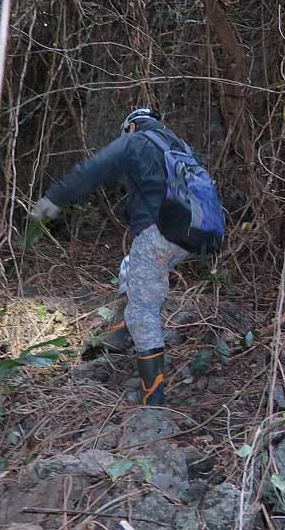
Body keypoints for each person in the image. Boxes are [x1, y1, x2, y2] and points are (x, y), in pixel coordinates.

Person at [30, 108, 224, 406]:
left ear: (131, 126)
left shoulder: (137, 140)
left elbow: (96, 167)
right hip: (191, 235)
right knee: (130, 266)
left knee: (143, 309)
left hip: (157, 233)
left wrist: (56, 197)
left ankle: (153, 394)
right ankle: (121, 330)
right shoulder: (179, 147)